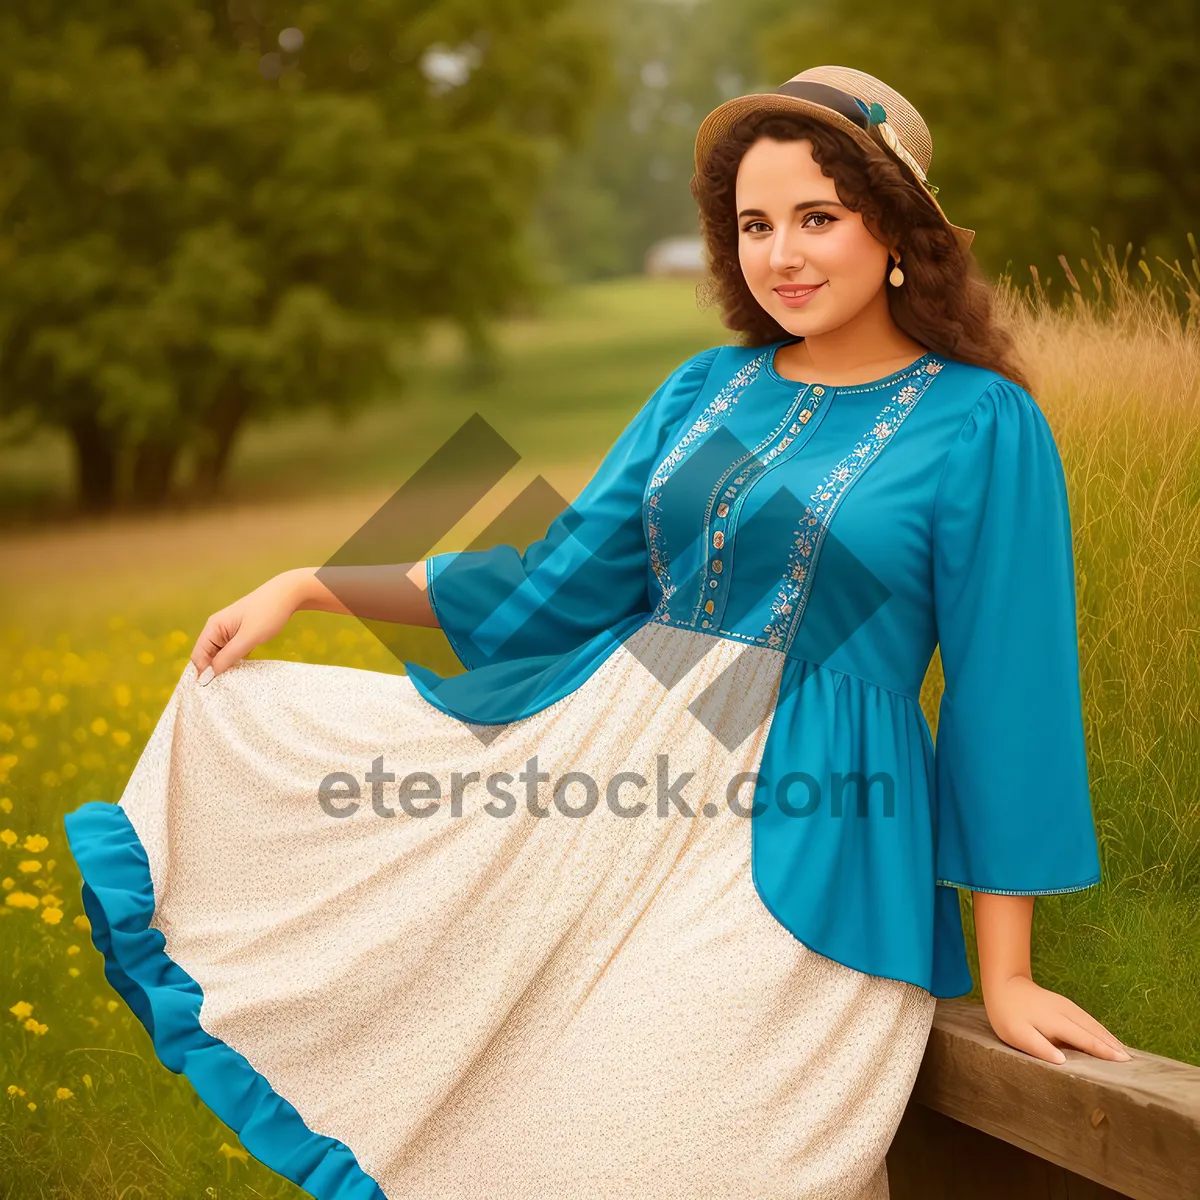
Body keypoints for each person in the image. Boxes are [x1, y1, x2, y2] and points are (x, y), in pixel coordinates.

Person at [63, 64, 1130, 1200]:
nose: (783, 254)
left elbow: (1005, 695)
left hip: (821, 833)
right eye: (755, 224)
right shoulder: (707, 392)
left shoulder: (978, 421)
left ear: (896, 229)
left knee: (692, 1142)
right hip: (604, 789)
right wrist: (314, 585)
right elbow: (556, 583)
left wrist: (1004, 977)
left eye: (819, 217)